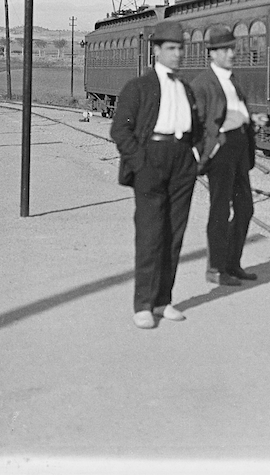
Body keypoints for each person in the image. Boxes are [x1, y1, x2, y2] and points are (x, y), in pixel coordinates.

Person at [111, 20, 202, 330]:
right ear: (157, 51)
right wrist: (140, 163)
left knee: (175, 233)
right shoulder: (138, 87)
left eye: (181, 49)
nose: (178, 55)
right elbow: (120, 129)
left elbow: (197, 129)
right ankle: (143, 304)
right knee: (151, 234)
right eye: (172, 49)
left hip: (182, 162)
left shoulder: (185, 88)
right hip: (151, 159)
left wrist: (195, 157)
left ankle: (163, 300)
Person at [191, 26, 268, 287]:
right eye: (225, 50)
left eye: (232, 48)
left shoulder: (233, 79)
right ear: (212, 53)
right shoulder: (203, 84)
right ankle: (215, 267)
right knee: (220, 210)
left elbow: (235, 111)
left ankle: (232, 263)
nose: (231, 53)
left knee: (245, 208)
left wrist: (251, 118)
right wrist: (208, 150)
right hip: (221, 150)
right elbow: (196, 123)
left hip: (239, 146)